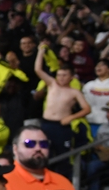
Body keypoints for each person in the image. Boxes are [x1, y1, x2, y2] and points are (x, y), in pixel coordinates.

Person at [34, 43, 90, 179]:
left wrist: (71, 118)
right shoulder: (52, 84)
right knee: (43, 153)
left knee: (62, 156)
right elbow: (38, 69)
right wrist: (41, 51)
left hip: (61, 125)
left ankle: (63, 182)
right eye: (59, 75)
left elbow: (87, 109)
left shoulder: (74, 92)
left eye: (65, 75)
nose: (61, 78)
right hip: (46, 123)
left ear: (71, 77)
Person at [82, 59, 109, 138]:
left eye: (102, 65)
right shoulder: (89, 85)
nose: (98, 67)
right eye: (97, 65)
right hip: (91, 121)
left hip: (108, 123)